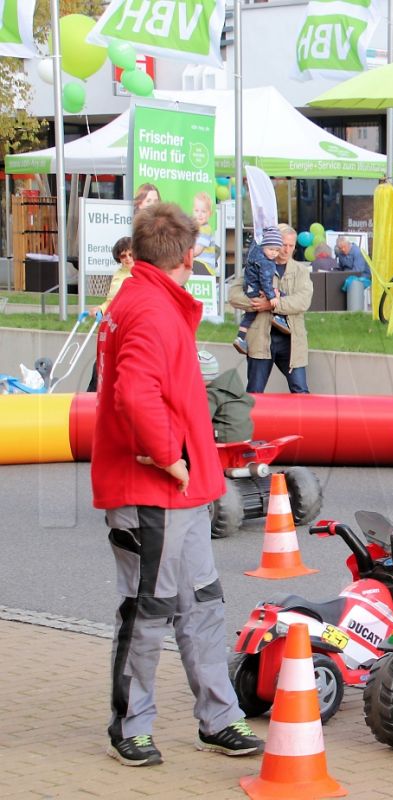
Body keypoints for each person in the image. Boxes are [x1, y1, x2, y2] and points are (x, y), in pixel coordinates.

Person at [92, 202, 264, 768]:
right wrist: (171, 457)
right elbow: (134, 395)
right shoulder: (150, 309)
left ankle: (218, 718)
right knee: (149, 610)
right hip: (154, 493)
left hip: (176, 494)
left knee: (200, 604)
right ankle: (132, 726)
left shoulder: (142, 300)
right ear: (189, 256)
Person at [229, 224, 313, 393]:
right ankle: (251, 420)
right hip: (261, 339)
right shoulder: (256, 265)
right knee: (255, 391)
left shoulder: (301, 271)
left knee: (301, 391)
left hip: (291, 341)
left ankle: (302, 420)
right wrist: (257, 304)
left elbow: (303, 301)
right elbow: (234, 295)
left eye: (291, 246)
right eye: (284, 244)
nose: (287, 250)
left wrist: (272, 305)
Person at [87, 237, 135, 392]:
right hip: (114, 326)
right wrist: (100, 309)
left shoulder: (140, 273)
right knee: (101, 364)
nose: (127, 258)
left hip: (130, 327)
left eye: (130, 254)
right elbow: (111, 301)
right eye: (123, 256)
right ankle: (93, 396)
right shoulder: (118, 275)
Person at [232, 227, 290, 355]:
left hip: (249, 287)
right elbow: (265, 281)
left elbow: (256, 243)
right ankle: (279, 318)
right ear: (264, 247)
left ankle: (240, 337)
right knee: (281, 295)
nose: (274, 253)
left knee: (249, 315)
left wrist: (262, 233)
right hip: (259, 288)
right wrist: (271, 297)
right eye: (271, 249)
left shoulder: (255, 252)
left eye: (276, 250)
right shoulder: (267, 263)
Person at [199, 350, 255, 443]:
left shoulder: (210, 394)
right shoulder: (232, 388)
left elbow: (202, 420)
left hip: (225, 440)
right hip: (246, 437)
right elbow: (251, 402)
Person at [191, 192, 218, 275]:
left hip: (206, 266)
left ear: (209, 213)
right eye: (197, 211)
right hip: (198, 264)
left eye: (203, 211)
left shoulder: (205, 230)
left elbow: (196, 251)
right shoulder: (195, 229)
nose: (199, 214)